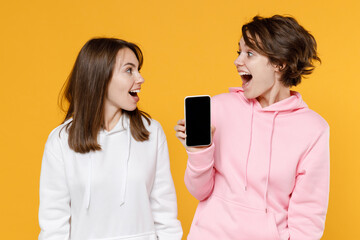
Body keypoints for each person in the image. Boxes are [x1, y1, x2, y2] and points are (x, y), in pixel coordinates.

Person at [175, 15, 329, 240]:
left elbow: (309, 215)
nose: (238, 62)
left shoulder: (313, 129)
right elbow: (199, 191)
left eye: (249, 54)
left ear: (280, 63)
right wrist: (199, 152)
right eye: (239, 52)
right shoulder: (217, 108)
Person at [38, 38, 182, 240]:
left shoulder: (151, 132)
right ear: (100, 77)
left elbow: (165, 215)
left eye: (138, 69)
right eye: (129, 70)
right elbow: (54, 225)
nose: (140, 79)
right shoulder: (61, 141)